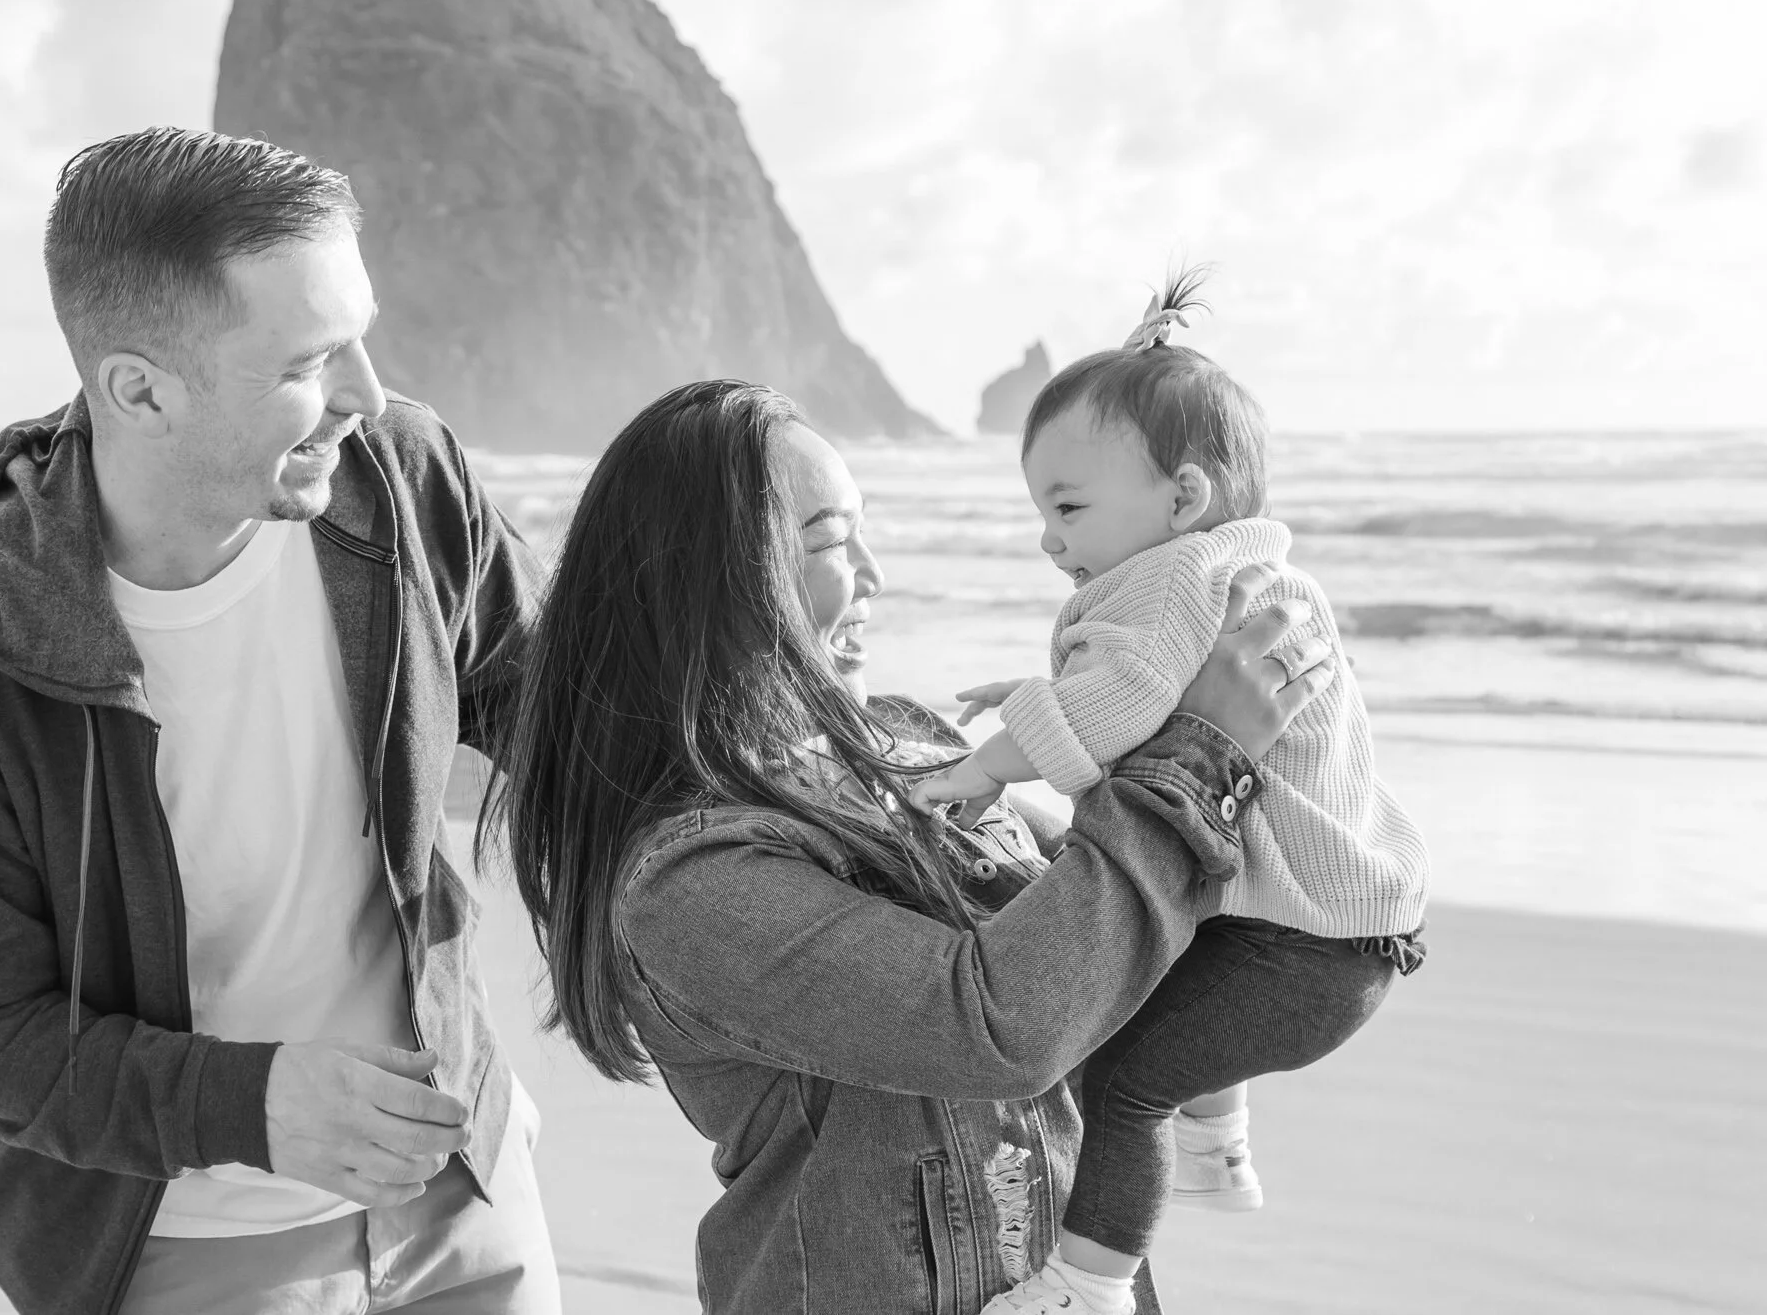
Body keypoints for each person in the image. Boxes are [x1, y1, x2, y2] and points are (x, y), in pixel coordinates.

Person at [0, 127, 558, 1314]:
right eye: (307, 360)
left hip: (470, 1188)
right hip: (184, 1253)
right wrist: (245, 1104)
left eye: (359, 338)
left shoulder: (400, 479)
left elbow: (555, 714)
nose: (365, 394)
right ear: (139, 387)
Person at [485, 379, 1334, 1313]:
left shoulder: (911, 742)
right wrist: (1200, 755)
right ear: (713, 581)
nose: (876, 575)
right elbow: (1002, 1024)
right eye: (831, 542)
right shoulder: (689, 878)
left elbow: (1114, 929)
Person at [910, 268, 1430, 1315]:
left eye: (1066, 507)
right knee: (1175, 936)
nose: (1047, 539)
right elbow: (1152, 722)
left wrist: (981, 765)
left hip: (1295, 956)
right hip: (1342, 930)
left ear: (1181, 499)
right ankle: (1215, 1145)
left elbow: (1119, 707)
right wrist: (1035, 703)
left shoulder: (1172, 578)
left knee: (1121, 1081)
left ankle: (1085, 1288)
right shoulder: (1253, 577)